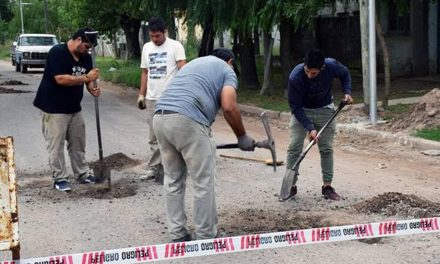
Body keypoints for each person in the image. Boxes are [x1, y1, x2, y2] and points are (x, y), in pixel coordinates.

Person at [153, 48, 255, 242]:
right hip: (187, 119)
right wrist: (242, 136)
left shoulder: (194, 64)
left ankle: (177, 234)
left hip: (160, 117)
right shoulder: (226, 69)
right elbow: (229, 105)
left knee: (173, 179)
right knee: (203, 181)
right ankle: (206, 235)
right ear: (230, 61)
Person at [33, 27, 100, 192]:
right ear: (78, 40)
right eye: (85, 46)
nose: (87, 50)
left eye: (90, 48)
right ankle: (60, 178)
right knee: (56, 146)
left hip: (74, 108)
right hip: (53, 108)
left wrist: (93, 89)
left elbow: (89, 80)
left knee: (78, 143)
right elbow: (60, 79)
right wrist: (87, 77)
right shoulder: (58, 52)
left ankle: (82, 174)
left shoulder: (85, 57)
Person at [283, 48, 353, 201]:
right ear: (304, 64)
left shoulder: (331, 65)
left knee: (326, 148)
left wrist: (347, 91)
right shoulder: (295, 77)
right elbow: (295, 107)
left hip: (325, 110)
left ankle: (327, 187)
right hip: (302, 112)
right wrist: (310, 128)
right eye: (307, 71)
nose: (309, 75)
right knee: (294, 148)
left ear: (322, 68)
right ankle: (290, 186)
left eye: (313, 73)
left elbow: (345, 73)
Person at [137, 17, 186, 182]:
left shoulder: (175, 46)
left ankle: (176, 167)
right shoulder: (146, 48)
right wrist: (141, 95)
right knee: (153, 136)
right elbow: (145, 72)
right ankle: (155, 168)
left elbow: (183, 70)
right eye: (152, 36)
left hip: (172, 99)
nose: (155, 39)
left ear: (165, 31)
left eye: (158, 36)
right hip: (152, 99)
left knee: (173, 134)